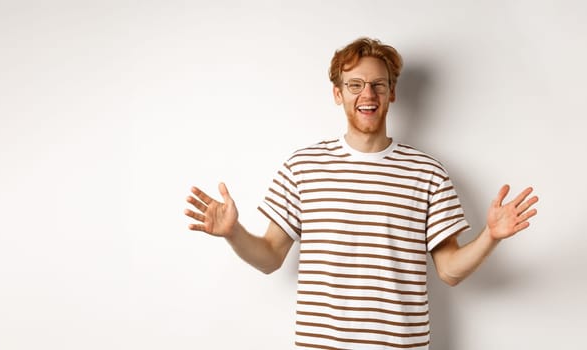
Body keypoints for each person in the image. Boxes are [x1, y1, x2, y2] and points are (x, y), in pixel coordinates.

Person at [183, 37, 539, 349]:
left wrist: (491, 236)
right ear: (338, 94)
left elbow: (449, 270)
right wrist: (233, 233)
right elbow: (270, 257)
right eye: (355, 85)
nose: (367, 95)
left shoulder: (428, 172)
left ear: (392, 92)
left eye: (377, 85)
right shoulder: (302, 167)